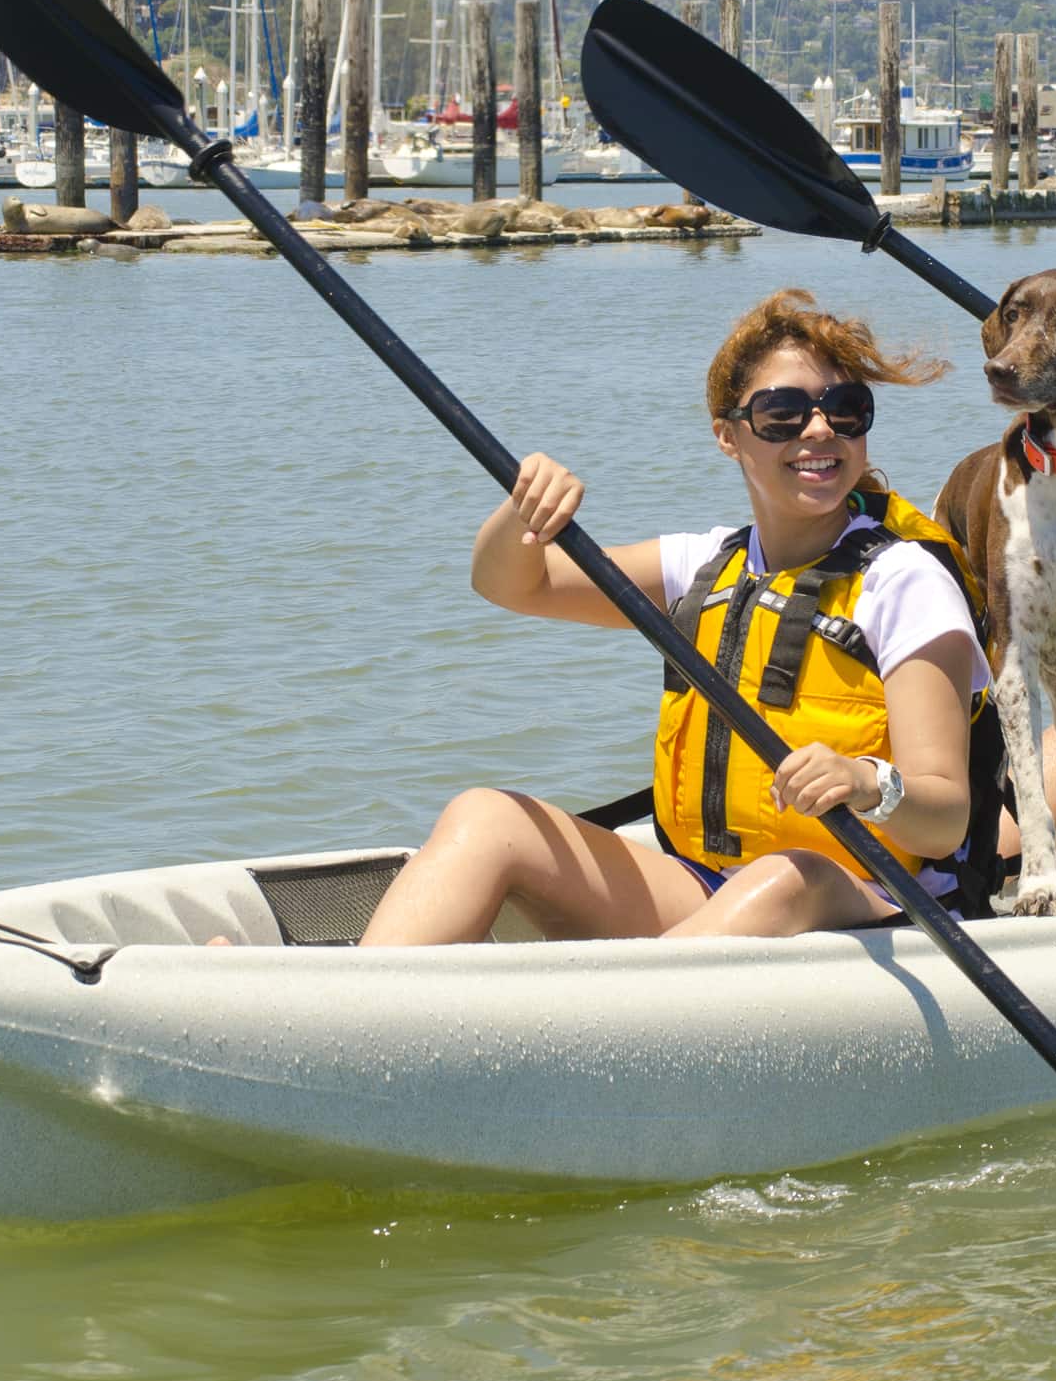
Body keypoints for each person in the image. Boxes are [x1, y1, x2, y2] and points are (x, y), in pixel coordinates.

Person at [355, 289, 993, 946]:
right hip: (706, 881)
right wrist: (523, 511)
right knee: (485, 818)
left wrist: (865, 781)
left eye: (846, 410)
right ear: (727, 434)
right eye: (783, 413)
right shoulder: (702, 565)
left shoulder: (904, 579)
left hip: (872, 900)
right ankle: (357, 1010)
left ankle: (627, 1024)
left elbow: (943, 816)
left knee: (782, 877)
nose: (819, 430)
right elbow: (513, 584)